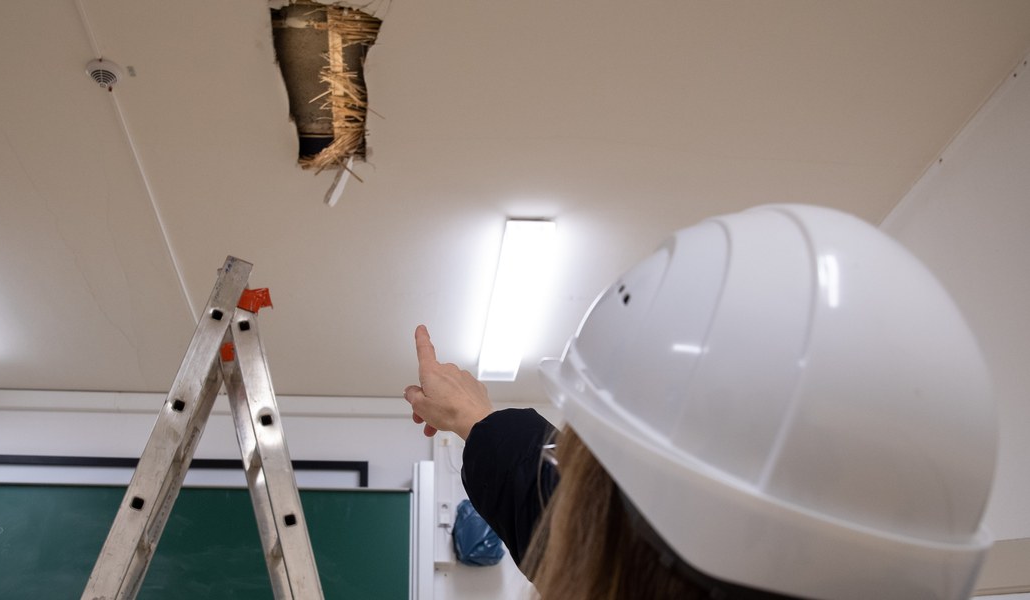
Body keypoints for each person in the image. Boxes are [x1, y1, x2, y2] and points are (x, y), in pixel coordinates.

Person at [404, 204, 998, 600]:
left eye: (576, 465)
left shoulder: (618, 559)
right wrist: (478, 423)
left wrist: (478, 423)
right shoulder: (711, 553)